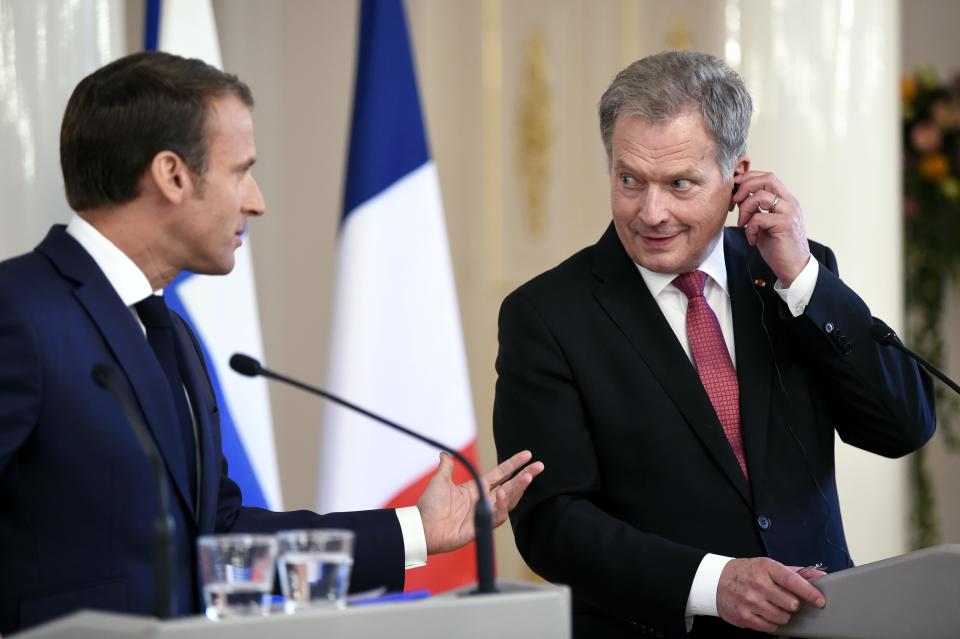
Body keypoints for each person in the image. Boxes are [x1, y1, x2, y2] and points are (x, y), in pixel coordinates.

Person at [0, 51, 543, 635]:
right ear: (172, 175)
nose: (255, 200)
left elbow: (220, 537)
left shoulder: (171, 333)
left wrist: (416, 530)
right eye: (240, 171)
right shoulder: (18, 312)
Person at [492, 49, 935, 638]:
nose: (651, 212)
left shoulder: (791, 277)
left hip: (824, 623)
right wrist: (710, 583)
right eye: (630, 180)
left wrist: (802, 279)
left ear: (738, 178)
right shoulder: (545, 315)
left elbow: (902, 426)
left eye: (680, 184)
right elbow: (551, 522)